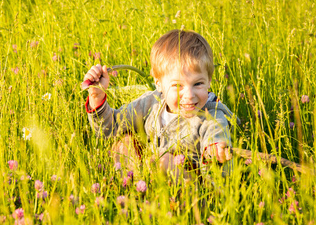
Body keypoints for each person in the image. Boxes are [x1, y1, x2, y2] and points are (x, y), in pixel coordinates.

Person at [83, 29, 238, 181]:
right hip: (150, 172)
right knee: (123, 143)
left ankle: (159, 193)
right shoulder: (151, 103)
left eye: (198, 84)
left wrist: (215, 149)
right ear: (159, 83)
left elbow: (216, 136)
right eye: (178, 86)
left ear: (209, 80)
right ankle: (134, 190)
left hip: (188, 184)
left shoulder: (211, 117)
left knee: (163, 162)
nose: (189, 95)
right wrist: (97, 97)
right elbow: (111, 129)